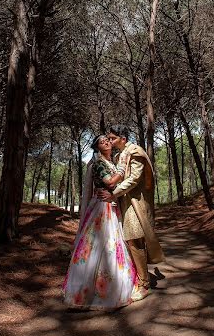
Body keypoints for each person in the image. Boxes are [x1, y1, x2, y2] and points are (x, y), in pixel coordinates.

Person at [62, 135, 138, 310]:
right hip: (101, 209)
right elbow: (110, 182)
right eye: (101, 141)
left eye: (107, 140)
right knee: (96, 247)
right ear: (97, 147)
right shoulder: (98, 164)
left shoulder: (110, 163)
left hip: (111, 205)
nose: (106, 142)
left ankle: (113, 291)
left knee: (112, 247)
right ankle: (85, 294)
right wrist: (121, 169)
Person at [98, 125, 164, 301]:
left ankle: (144, 284)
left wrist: (114, 194)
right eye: (109, 139)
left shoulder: (135, 152)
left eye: (112, 138)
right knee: (131, 241)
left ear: (123, 138)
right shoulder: (121, 155)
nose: (110, 142)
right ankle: (140, 278)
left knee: (135, 239)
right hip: (125, 202)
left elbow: (134, 179)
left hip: (137, 203)